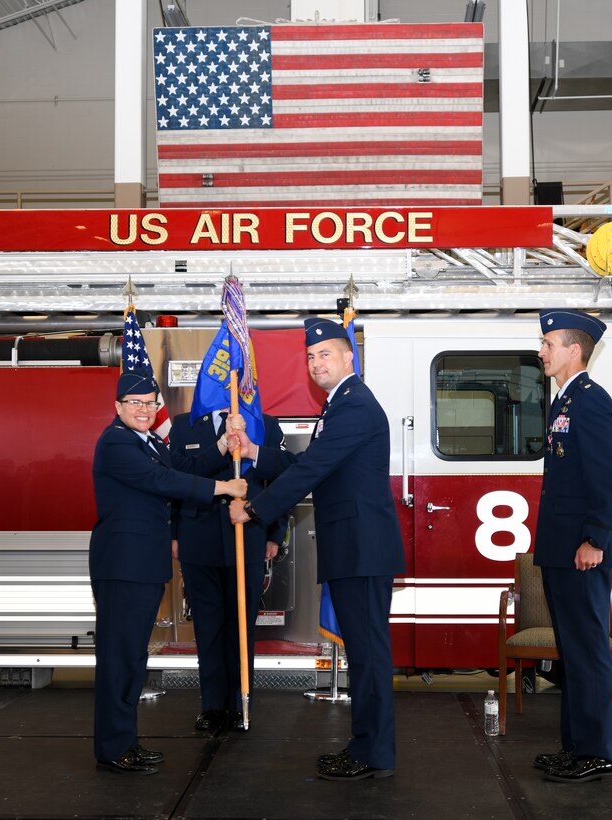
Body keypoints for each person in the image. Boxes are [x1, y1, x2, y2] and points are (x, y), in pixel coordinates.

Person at [228, 317, 406, 781]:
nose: (315, 362)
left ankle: (373, 753)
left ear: (350, 357)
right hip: (352, 547)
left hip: (361, 549)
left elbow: (312, 471)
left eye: (324, 353)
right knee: (365, 654)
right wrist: (254, 452)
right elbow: (306, 461)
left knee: (368, 654)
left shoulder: (354, 406)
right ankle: (366, 746)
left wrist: (255, 508)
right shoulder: (339, 405)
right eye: (310, 356)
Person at [90, 370, 246, 776]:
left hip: (140, 565)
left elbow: (187, 462)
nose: (144, 410)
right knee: (120, 659)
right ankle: (113, 748)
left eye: (149, 403)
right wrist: (224, 490)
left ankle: (124, 742)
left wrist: (223, 444)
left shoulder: (149, 442)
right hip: (124, 566)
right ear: (118, 407)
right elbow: (166, 480)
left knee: (131, 658)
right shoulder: (116, 443)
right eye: (135, 403)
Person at [532, 309, 612, 784]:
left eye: (549, 342)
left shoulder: (591, 401)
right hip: (559, 547)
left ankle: (599, 751)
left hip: (580, 550)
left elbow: (607, 478)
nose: (541, 350)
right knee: (571, 650)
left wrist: (594, 539)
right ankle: (575, 747)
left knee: (587, 649)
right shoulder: (563, 402)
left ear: (574, 349)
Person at [169, 408, 288, 733]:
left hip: (247, 535)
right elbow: (176, 480)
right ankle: (212, 706)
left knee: (241, 626)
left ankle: (240, 703)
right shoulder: (185, 425)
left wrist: (274, 533)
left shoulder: (264, 423)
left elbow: (278, 482)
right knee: (207, 626)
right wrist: (175, 533)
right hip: (198, 539)